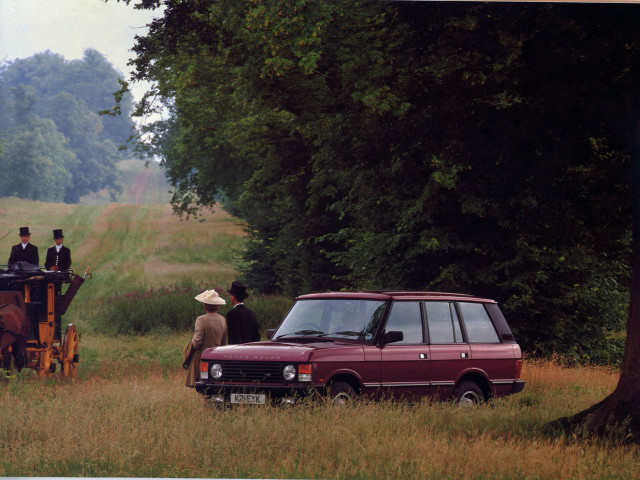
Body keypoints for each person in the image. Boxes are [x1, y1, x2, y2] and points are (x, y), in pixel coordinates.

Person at [184, 289, 227, 388]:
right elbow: (224, 342)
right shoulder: (222, 319)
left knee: (204, 385)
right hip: (217, 358)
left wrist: (189, 346)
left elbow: (197, 342)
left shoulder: (201, 319)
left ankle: (205, 403)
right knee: (214, 384)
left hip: (203, 358)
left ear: (205, 305)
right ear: (217, 305)